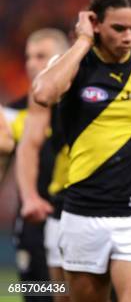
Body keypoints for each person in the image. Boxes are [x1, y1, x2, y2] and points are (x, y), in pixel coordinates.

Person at [33, 0, 131, 302]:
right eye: (118, 28)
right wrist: (82, 41)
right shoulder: (77, 66)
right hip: (83, 213)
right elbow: (43, 93)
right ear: (96, 22)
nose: (128, 37)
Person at [14, 29, 70, 302]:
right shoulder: (11, 114)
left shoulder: (79, 104)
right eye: (28, 56)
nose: (32, 63)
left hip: (72, 213)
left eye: (41, 56)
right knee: (39, 295)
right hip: (32, 222)